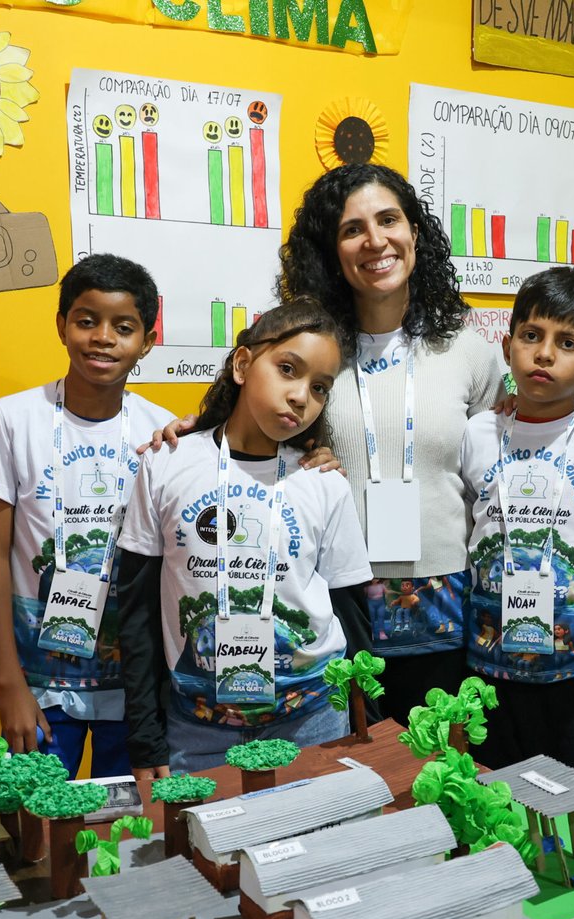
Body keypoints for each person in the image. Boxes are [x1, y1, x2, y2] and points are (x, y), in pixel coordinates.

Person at [156, 165, 506, 723]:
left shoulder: (469, 351)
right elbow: (247, 422)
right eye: (352, 229)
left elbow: (494, 473)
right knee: (354, 764)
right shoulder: (312, 352)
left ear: (414, 232)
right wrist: (188, 431)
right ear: (331, 251)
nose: (375, 241)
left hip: (446, 609)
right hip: (335, 604)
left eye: (388, 220)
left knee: (436, 764)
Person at [115, 300, 372, 779]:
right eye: (287, 369)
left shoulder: (322, 481)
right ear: (242, 364)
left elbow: (351, 612)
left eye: (320, 387)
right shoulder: (167, 463)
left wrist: (365, 726)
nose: (301, 396)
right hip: (198, 730)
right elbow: (138, 611)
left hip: (313, 721)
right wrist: (145, 739)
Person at [0, 254, 175, 777]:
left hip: (133, 688)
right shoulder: (11, 419)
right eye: (86, 321)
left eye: (123, 327)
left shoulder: (163, 432)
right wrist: (8, 683)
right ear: (61, 325)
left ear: (147, 341)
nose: (102, 338)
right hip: (40, 684)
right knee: (40, 817)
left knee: (128, 819)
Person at [460, 267, 574, 773]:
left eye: (567, 343)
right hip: (487, 667)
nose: (544, 354)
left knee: (570, 801)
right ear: (508, 345)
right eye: (531, 336)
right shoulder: (479, 432)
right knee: (491, 794)